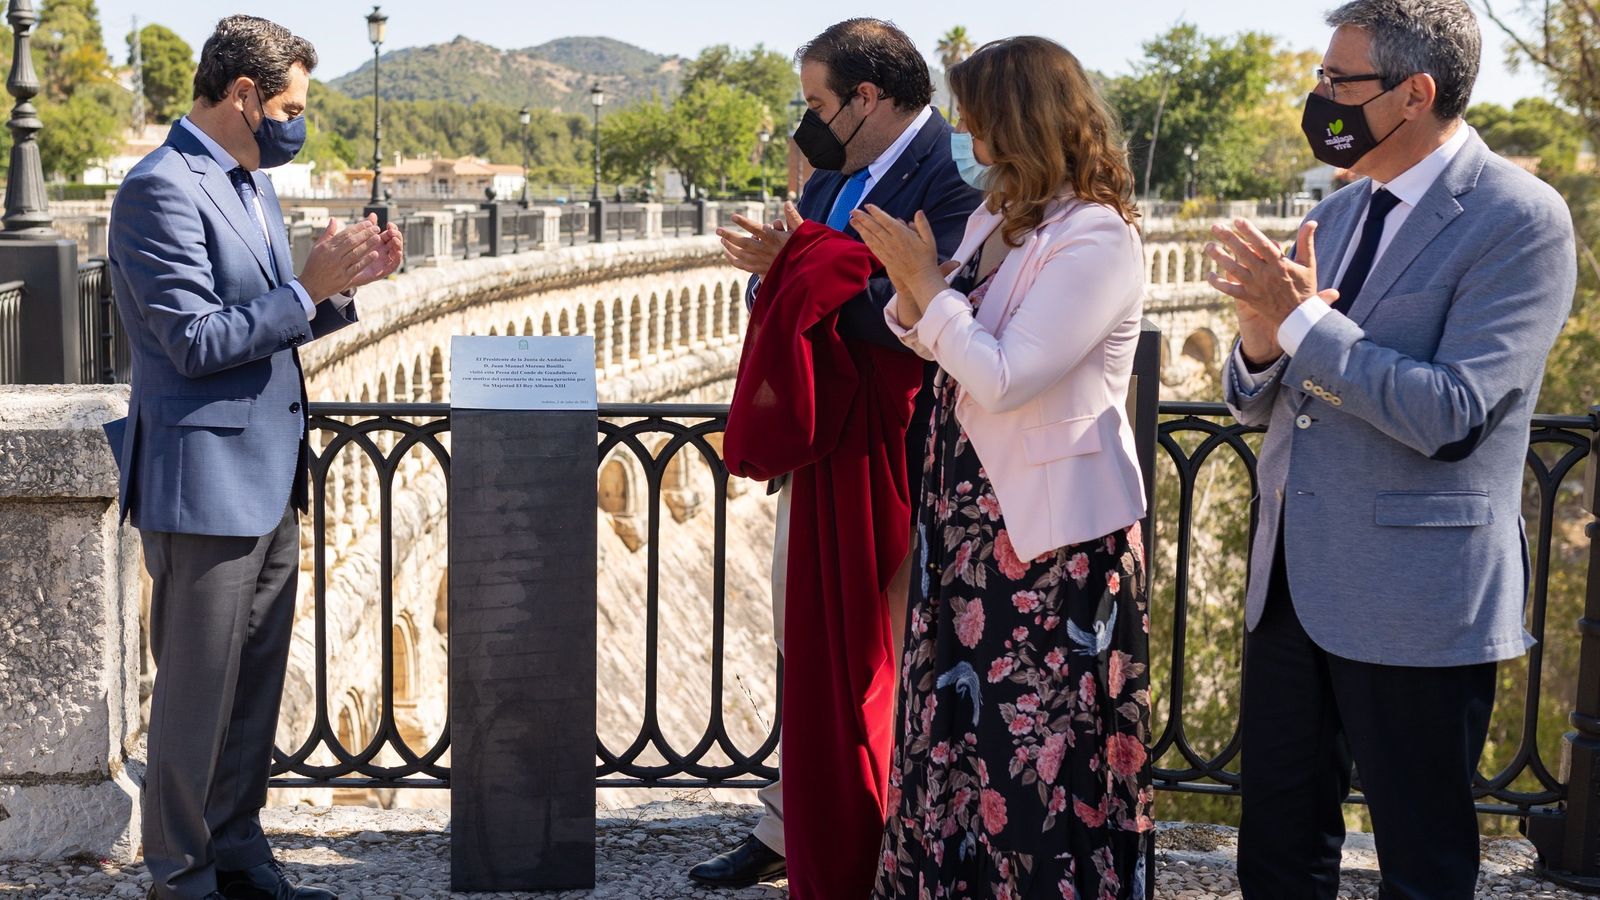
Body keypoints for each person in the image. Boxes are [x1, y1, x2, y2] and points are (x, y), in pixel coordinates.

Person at [1206, 2, 1576, 897]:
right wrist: (1260, 346)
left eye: (1340, 82)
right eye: (1320, 77)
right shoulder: (1332, 217)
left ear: (1415, 94)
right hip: (1289, 586)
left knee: (1422, 862)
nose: (1319, 97)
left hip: (1419, 595)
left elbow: (1451, 414)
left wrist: (1301, 324)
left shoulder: (1520, 219)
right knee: (1278, 858)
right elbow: (1269, 398)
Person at [102, 15, 403, 900]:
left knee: (251, 694)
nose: (295, 121)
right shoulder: (158, 188)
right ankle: (181, 876)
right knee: (196, 703)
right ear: (243, 95)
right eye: (291, 105)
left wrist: (338, 291)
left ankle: (237, 853)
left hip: (272, 473)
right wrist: (306, 287)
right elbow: (194, 342)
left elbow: (272, 318)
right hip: (203, 485)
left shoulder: (250, 186)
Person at [854, 35, 1153, 899]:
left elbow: (1006, 372)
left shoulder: (1097, 237)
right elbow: (945, 334)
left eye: (977, 116)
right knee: (956, 734)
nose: (965, 131)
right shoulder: (1002, 214)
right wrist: (916, 294)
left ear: (1019, 119)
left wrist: (927, 290)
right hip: (969, 519)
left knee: (1036, 750)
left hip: (1047, 542)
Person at [689, 17, 982, 890]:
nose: (805, 119)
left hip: (911, 453)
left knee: (894, 650)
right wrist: (778, 274)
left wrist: (809, 275)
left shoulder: (954, 177)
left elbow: (932, 307)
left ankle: (897, 827)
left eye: (818, 100)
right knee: (807, 641)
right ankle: (795, 821)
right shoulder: (831, 179)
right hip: (827, 450)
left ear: (867, 97)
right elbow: (792, 287)